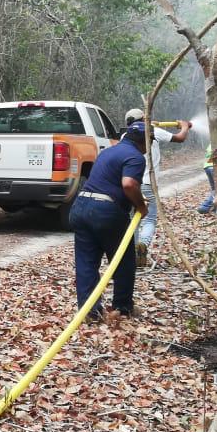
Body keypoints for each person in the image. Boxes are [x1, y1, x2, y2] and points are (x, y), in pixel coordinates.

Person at [69, 120, 149, 319]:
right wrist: (141, 205)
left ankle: (90, 312)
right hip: (105, 211)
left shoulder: (109, 151)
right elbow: (129, 184)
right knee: (123, 260)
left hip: (80, 207)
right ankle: (123, 307)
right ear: (145, 141)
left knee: (86, 262)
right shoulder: (136, 156)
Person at [122, 108, 191, 269]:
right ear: (144, 119)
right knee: (149, 218)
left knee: (134, 221)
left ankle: (133, 254)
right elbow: (179, 138)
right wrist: (184, 126)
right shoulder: (153, 131)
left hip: (131, 183)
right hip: (147, 183)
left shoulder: (125, 136)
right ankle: (143, 244)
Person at [198, 145, 216, 213]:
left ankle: (215, 207)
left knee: (214, 189)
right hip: (214, 167)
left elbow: (208, 155)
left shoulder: (211, 143)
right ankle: (204, 207)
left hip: (207, 167)